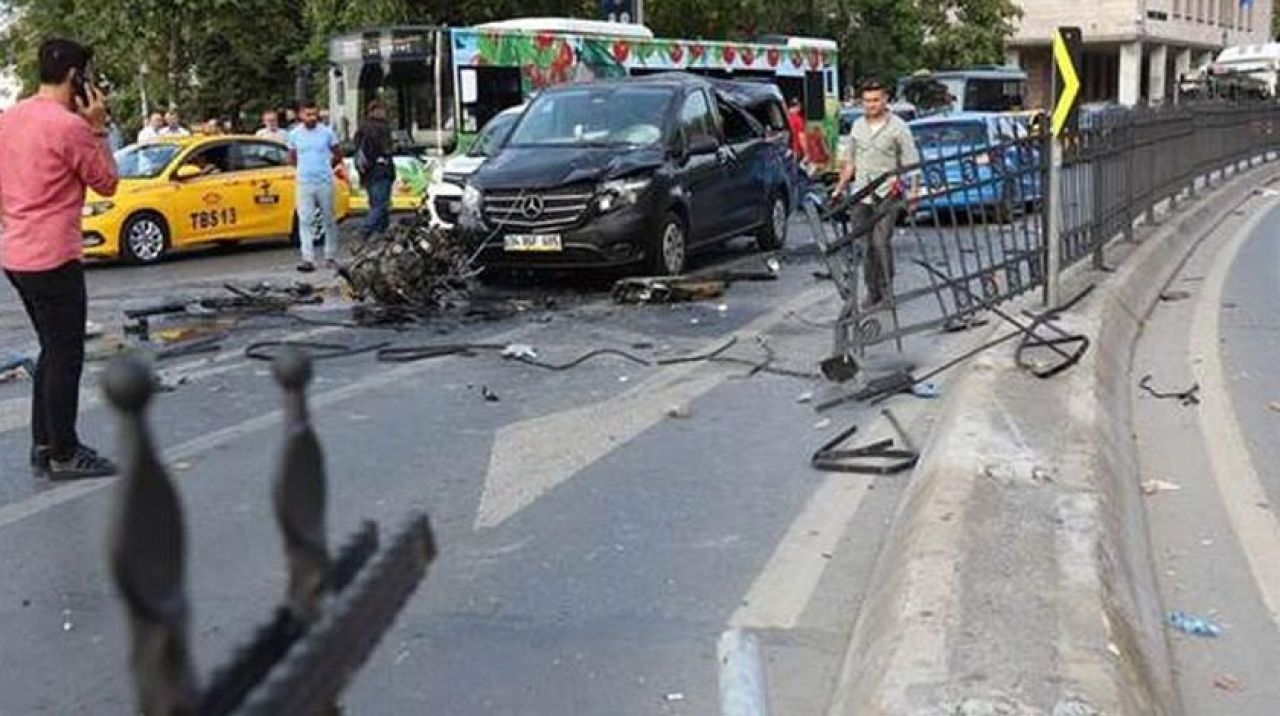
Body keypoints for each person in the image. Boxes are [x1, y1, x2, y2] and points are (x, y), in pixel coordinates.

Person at [0, 38, 119, 479]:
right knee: (66, 354)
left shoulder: (9, 119)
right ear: (76, 77)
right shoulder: (70, 128)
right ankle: (65, 451)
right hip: (53, 256)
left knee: (51, 348)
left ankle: (42, 442)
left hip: (16, 253)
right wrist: (99, 127)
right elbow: (107, 183)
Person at [831, 78, 920, 309]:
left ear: (885, 100)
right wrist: (839, 188)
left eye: (875, 100)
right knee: (866, 245)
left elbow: (912, 164)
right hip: (862, 193)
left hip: (888, 191)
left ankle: (887, 289)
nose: (871, 105)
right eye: (867, 101)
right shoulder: (857, 126)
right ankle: (873, 292)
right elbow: (850, 162)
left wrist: (913, 193)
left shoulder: (898, 127)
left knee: (881, 242)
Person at [287, 100, 342, 273]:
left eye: (314, 114)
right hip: (304, 182)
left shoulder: (327, 133)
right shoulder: (295, 134)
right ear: (301, 115)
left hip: (324, 181)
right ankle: (307, 258)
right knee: (305, 220)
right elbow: (292, 157)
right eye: (307, 114)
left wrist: (327, 167)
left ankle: (330, 255)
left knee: (329, 219)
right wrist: (303, 169)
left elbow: (337, 153)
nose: (311, 117)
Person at [353, 99, 395, 240]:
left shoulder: (362, 127)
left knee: (375, 203)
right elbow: (386, 149)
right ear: (378, 111)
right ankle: (366, 230)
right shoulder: (381, 127)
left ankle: (383, 234)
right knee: (381, 204)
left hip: (367, 172)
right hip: (381, 170)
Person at [786, 96, 807, 163]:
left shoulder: (784, 117)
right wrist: (806, 152)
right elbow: (801, 137)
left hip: (785, 150)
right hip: (795, 151)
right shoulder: (798, 119)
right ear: (798, 106)